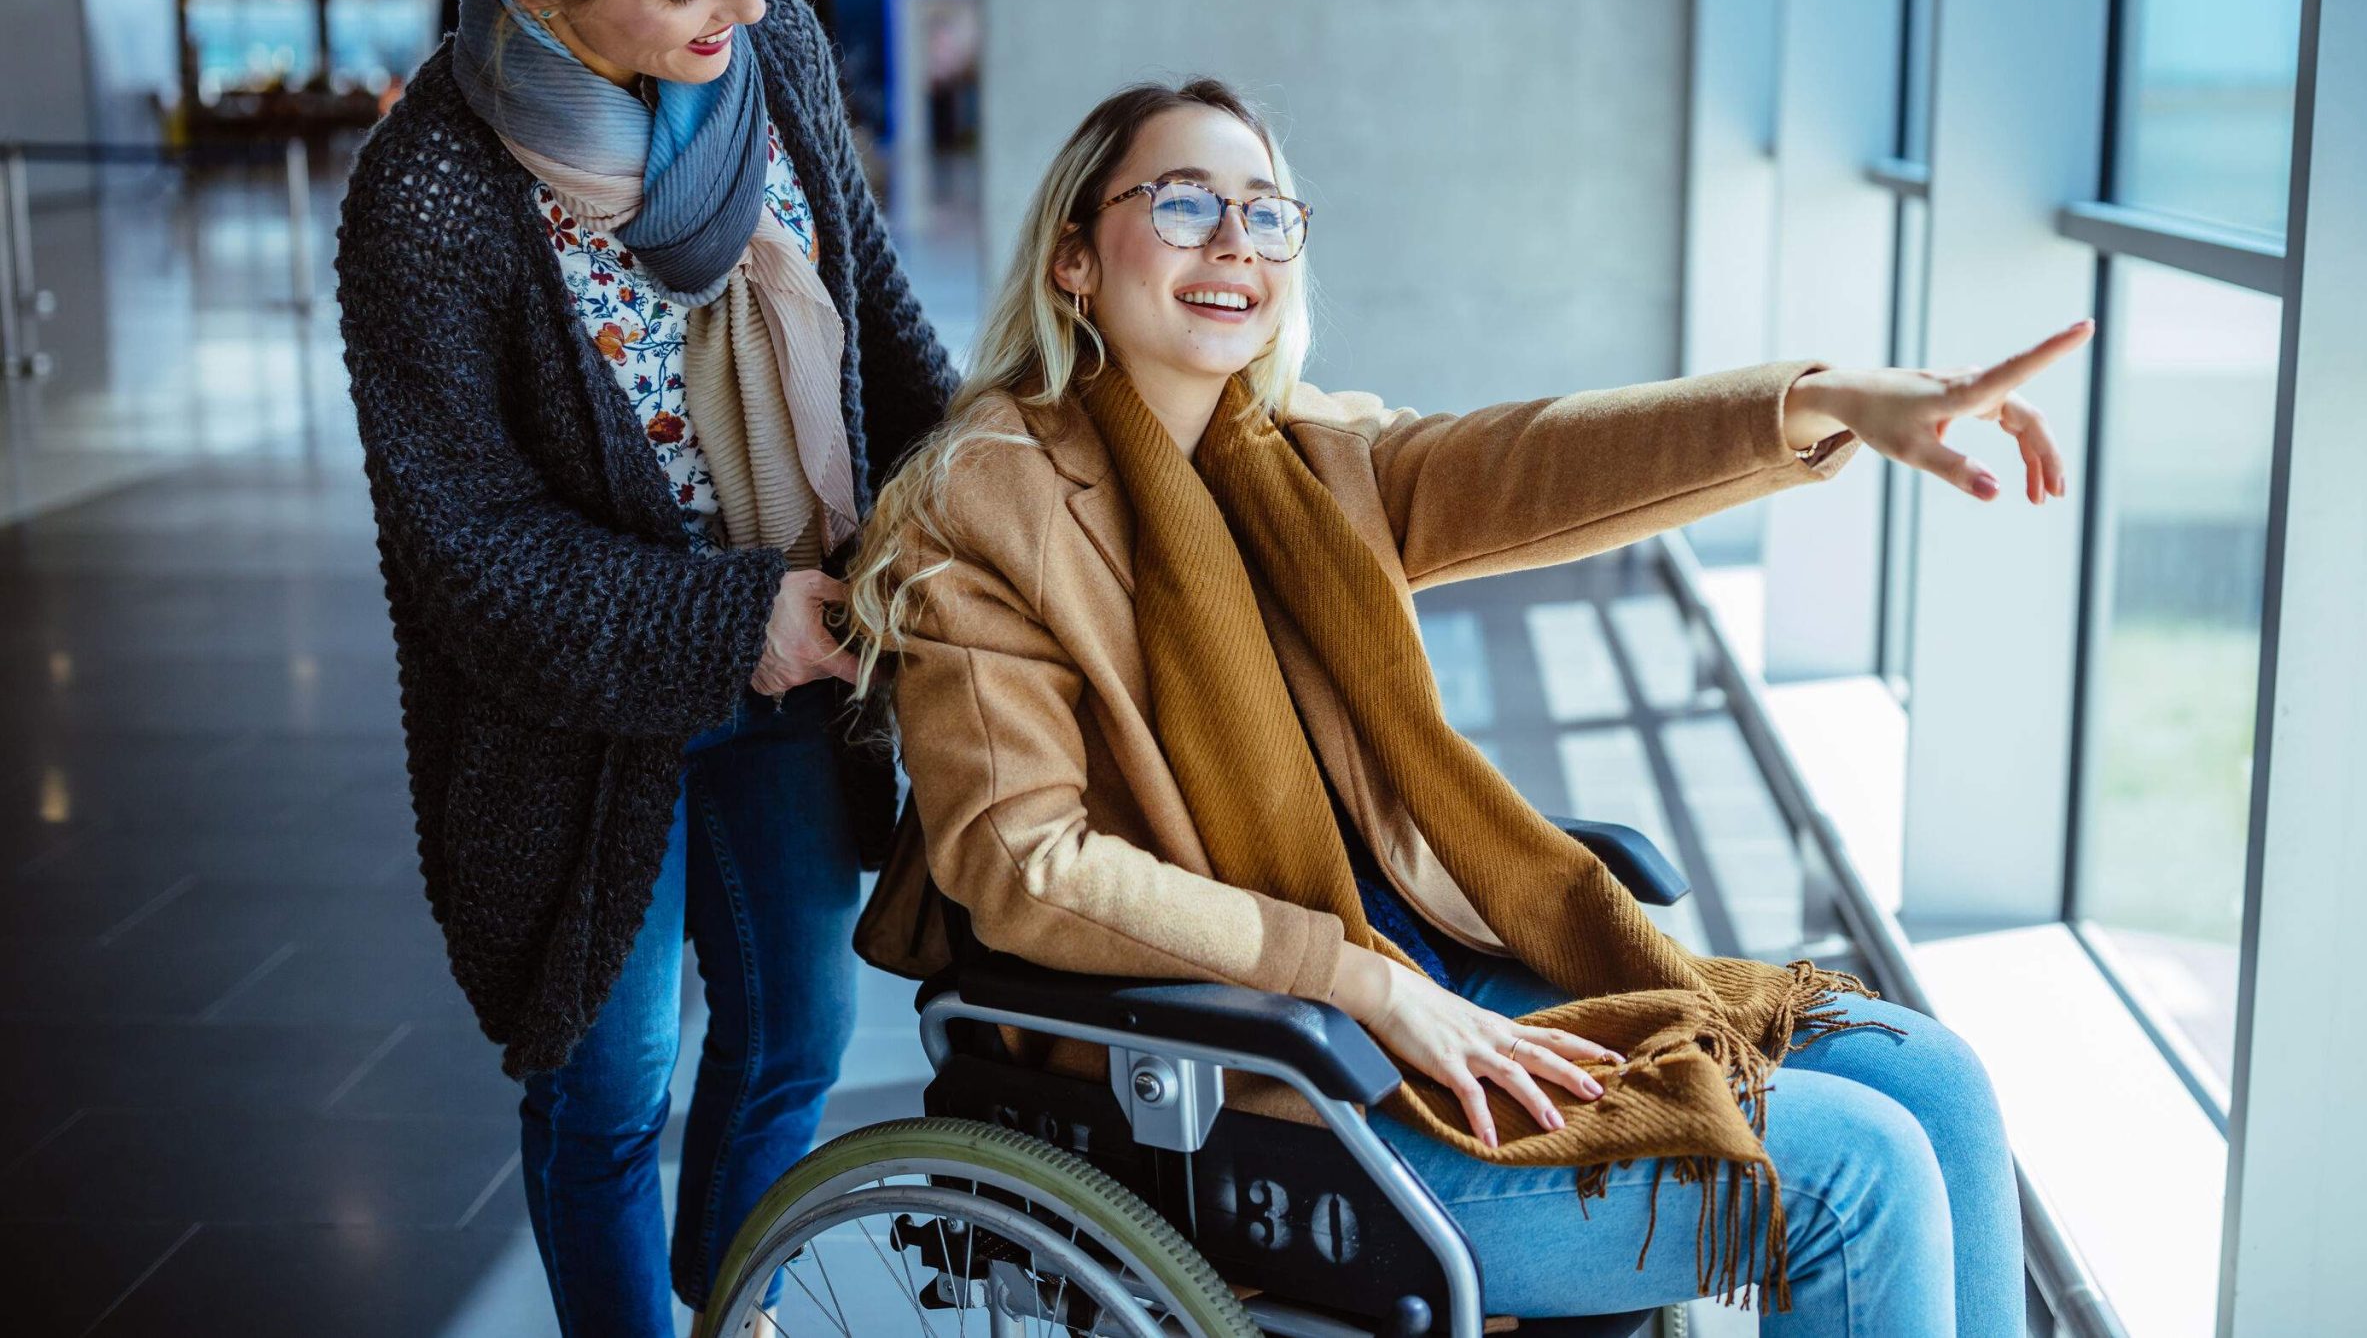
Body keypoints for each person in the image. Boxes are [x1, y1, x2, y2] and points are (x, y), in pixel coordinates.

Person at [848, 78, 2087, 1335]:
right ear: (1072, 257)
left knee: (1929, 1075)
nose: (1233, 241)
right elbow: (1024, 863)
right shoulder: (986, 505)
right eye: (1182, 204)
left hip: (1443, 981)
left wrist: (1817, 405)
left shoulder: (1303, 455)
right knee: (1856, 1173)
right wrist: (1354, 985)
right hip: (1264, 1079)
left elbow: (1542, 457)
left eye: (1266, 213)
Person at [336, 0, 955, 1337]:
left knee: (795, 1043)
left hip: (795, 670)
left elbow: (880, 330)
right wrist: (745, 618)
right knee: (607, 1097)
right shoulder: (433, 191)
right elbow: (470, 548)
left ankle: (732, 1305)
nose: (741, 3)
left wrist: (990, 500)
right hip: (572, 730)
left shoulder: (783, 59)